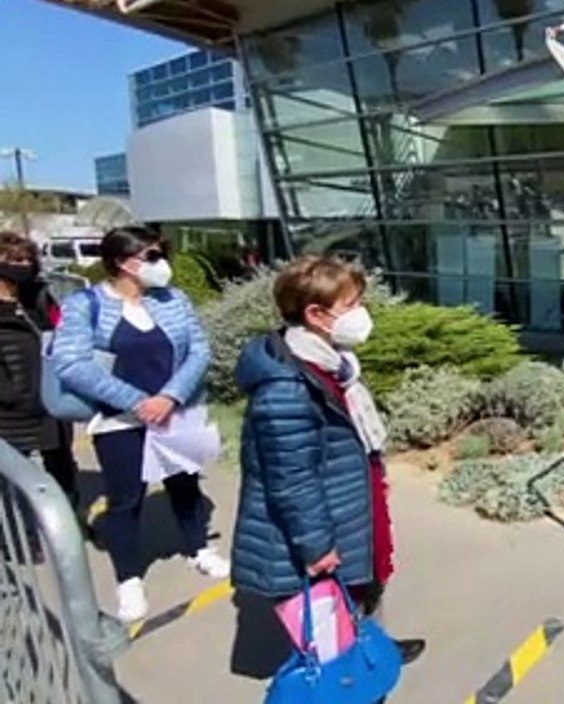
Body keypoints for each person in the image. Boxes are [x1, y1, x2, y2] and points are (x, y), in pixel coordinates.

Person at [231, 256, 425, 668]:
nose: (361, 314)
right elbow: (292, 479)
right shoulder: (286, 388)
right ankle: (353, 675)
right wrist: (316, 546)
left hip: (348, 504)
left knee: (363, 588)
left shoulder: (330, 362)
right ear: (316, 315)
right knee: (332, 618)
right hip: (323, 523)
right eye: (351, 304)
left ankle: (374, 648)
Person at [51, 226, 228, 623]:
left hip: (175, 411)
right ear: (120, 262)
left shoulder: (173, 299)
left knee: (185, 483)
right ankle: (128, 578)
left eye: (161, 253)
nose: (160, 263)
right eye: (150, 256)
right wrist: (136, 402)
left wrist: (171, 396)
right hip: (120, 420)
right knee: (126, 499)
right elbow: (71, 363)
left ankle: (199, 548)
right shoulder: (86, 304)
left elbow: (199, 349)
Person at [0, 232, 81, 513]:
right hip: (9, 410)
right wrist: (9, 393)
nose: (22, 265)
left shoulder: (40, 297)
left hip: (50, 398)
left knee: (61, 464)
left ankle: (69, 522)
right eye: (13, 260)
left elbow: (63, 332)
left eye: (27, 259)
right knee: (13, 473)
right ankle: (17, 534)